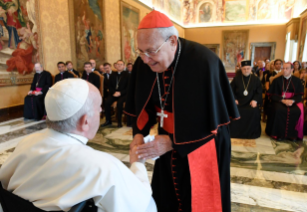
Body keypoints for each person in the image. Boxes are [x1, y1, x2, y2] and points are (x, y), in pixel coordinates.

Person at [125, 10, 239, 212]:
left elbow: (214, 122)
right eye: (140, 51)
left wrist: (172, 142)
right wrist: (138, 134)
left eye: (151, 51)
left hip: (203, 145)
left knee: (201, 201)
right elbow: (144, 104)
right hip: (166, 141)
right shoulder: (146, 61)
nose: (145, 59)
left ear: (172, 41)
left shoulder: (204, 62)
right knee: (168, 196)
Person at [0, 79, 157, 212]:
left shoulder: (26, 143)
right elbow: (143, 205)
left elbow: (3, 191)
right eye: (99, 108)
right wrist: (138, 164)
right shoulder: (101, 166)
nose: (101, 110)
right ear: (85, 121)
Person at [266, 62, 304, 141]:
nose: (284, 70)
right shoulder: (277, 80)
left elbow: (299, 95)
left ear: (292, 69)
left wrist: (292, 100)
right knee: (278, 110)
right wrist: (283, 100)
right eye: (283, 68)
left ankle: (292, 135)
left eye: (287, 68)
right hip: (279, 101)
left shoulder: (297, 81)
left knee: (296, 111)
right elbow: (272, 95)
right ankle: (278, 134)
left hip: (293, 101)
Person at [229, 60, 262, 139]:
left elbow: (259, 91)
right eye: (244, 69)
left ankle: (251, 133)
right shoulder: (236, 79)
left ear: (251, 69)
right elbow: (230, 90)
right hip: (239, 102)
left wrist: (255, 100)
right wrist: (234, 99)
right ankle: (235, 133)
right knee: (234, 110)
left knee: (254, 111)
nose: (246, 70)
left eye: (248, 68)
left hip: (251, 102)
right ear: (241, 69)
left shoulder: (256, 79)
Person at [101, 60, 129, 128]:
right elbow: (109, 86)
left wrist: (120, 93)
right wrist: (114, 92)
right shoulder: (113, 74)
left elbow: (128, 87)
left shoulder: (128, 75)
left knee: (120, 103)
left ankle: (119, 122)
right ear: (115, 66)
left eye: (121, 64)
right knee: (107, 102)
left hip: (123, 94)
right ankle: (108, 121)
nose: (119, 66)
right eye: (118, 64)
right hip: (114, 93)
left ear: (124, 66)